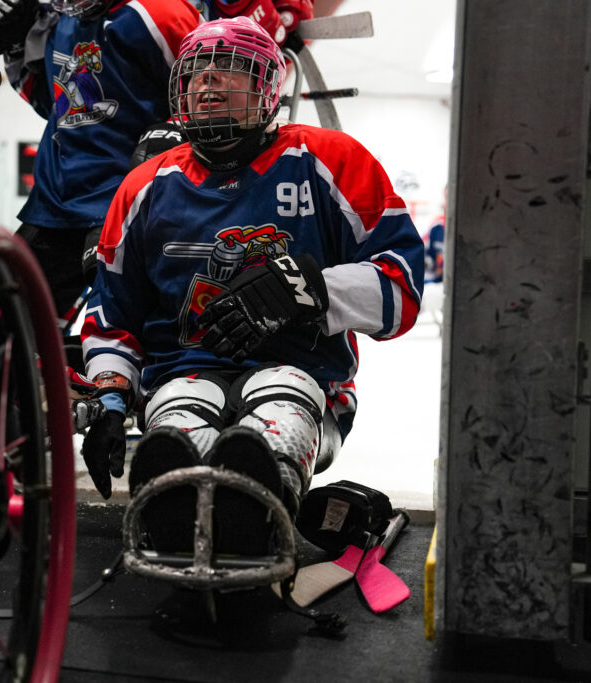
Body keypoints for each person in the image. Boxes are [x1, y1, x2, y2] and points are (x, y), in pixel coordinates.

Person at [79, 17, 424, 555]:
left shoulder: (330, 159)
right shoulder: (144, 186)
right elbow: (112, 315)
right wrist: (110, 398)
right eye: (196, 73)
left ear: (268, 86)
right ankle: (173, 505)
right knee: (177, 423)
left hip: (306, 376)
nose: (209, 82)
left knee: (276, 419)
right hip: (184, 371)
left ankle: (261, 505)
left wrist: (305, 288)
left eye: (229, 68)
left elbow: (403, 288)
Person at [0, 0, 202, 321]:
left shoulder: (159, 13)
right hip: (56, 202)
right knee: (0, 323)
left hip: (126, 205)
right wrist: (16, 46)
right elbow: (53, 107)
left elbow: (212, 98)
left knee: (129, 326)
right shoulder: (62, 19)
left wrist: (174, 137)